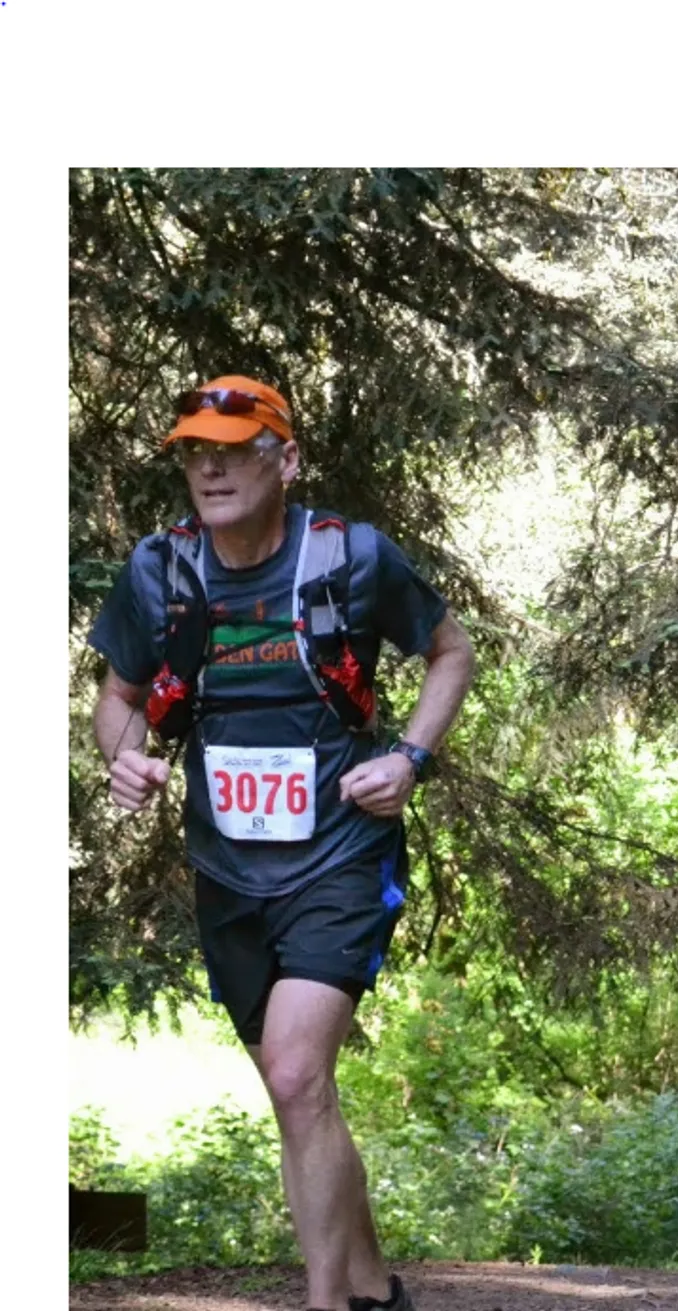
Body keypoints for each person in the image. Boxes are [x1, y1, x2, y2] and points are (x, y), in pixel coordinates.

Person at [88, 376, 476, 1311]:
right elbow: (118, 700)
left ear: (285, 458)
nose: (211, 466)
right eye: (193, 451)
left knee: (300, 1072)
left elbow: (451, 651)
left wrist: (411, 758)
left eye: (233, 446)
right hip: (227, 868)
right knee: (296, 1089)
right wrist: (125, 758)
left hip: (342, 852)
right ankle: (375, 1285)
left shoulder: (349, 557)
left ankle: (324, 1305)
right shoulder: (161, 571)